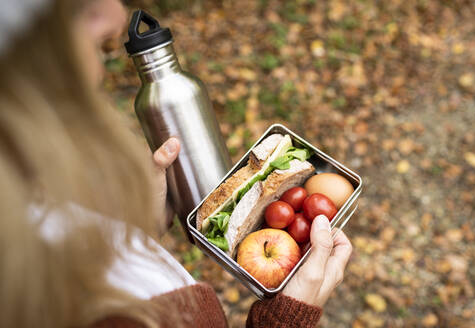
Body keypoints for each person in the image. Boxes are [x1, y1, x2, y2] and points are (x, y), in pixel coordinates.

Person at [0, 1, 353, 327]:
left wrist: (137, 232)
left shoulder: (28, 198)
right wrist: (285, 320)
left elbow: (69, 253)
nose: (116, 16)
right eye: (75, 7)